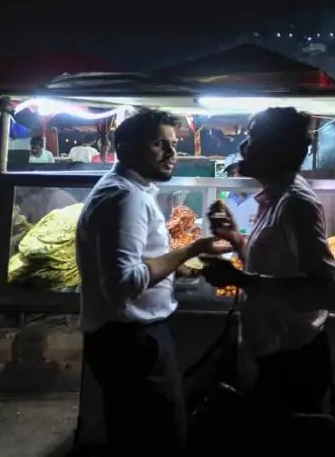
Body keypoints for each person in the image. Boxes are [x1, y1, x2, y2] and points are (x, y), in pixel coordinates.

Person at [75, 109, 230, 452]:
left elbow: (136, 261)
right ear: (125, 149)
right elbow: (123, 282)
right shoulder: (124, 197)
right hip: (132, 342)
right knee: (158, 437)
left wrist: (177, 268)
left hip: (127, 338)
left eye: (174, 144)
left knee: (136, 434)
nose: (172, 153)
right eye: (159, 144)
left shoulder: (132, 189)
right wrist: (191, 249)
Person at [202, 107, 335, 432]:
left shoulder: (296, 204)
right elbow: (276, 266)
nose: (243, 146)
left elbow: (327, 292)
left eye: (252, 139)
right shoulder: (274, 198)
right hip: (271, 354)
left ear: (276, 150)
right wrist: (236, 240)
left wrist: (241, 280)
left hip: (294, 362)